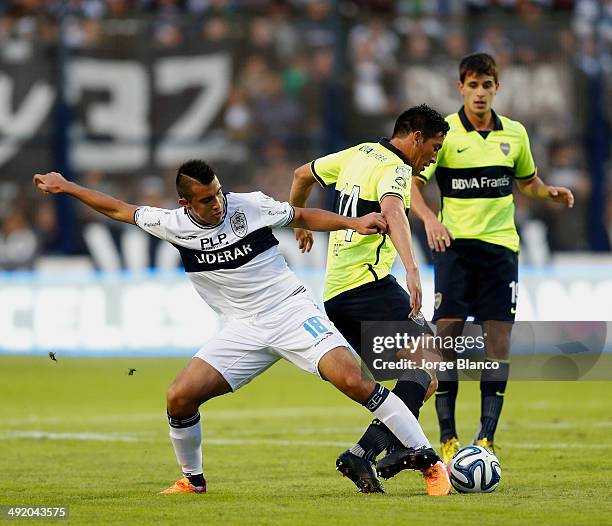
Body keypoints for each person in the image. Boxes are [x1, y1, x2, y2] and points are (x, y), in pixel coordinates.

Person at [33, 159, 450, 496]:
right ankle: (192, 481)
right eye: (205, 199)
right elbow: (117, 208)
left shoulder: (248, 206)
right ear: (185, 203)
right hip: (242, 329)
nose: (217, 203)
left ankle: (431, 464)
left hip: (289, 311)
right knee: (179, 397)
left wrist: (353, 223)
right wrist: (67, 186)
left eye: (217, 192)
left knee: (354, 382)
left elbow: (302, 213)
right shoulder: (173, 226)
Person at [410, 53, 574, 463]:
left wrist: (547, 192)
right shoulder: (445, 135)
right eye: (472, 85)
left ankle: (485, 437)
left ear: (497, 88)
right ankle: (448, 436)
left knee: (497, 340)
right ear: (460, 87)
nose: (480, 93)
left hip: (501, 249)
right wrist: (430, 219)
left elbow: (528, 182)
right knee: (446, 335)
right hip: (455, 249)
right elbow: (410, 184)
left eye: (487, 85)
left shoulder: (515, 134)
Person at [289, 104, 451, 492]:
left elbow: (301, 175)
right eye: (434, 146)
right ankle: (379, 451)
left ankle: (365, 454)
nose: (433, 156)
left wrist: (298, 219)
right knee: (432, 361)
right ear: (415, 138)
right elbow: (394, 211)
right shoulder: (395, 169)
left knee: (423, 376)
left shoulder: (357, 154)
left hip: (340, 294)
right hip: (369, 287)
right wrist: (413, 269)